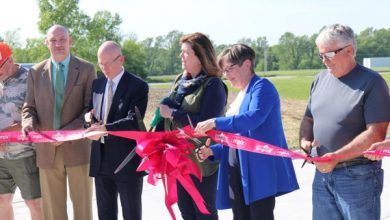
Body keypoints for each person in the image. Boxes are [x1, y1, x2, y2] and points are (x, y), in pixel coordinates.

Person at [195, 44, 299, 220]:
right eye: (224, 71)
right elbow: (235, 138)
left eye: (230, 69)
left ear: (247, 64)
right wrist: (213, 150)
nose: (227, 75)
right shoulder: (243, 93)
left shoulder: (262, 87)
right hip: (238, 169)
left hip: (259, 170)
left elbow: (252, 119)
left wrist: (214, 122)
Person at [299, 24, 390, 220]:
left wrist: (336, 157)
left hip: (357, 176)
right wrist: (304, 140)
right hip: (321, 174)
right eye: (321, 56)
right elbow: (308, 118)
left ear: (348, 50)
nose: (324, 61)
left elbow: (376, 134)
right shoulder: (319, 80)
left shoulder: (372, 82)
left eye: (328, 55)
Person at [22, 25, 96, 220]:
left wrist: (64, 134)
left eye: (62, 39)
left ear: (70, 41)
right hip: (47, 152)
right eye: (53, 40)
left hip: (78, 149)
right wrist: (27, 124)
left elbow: (90, 109)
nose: (58, 44)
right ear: (46, 43)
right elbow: (29, 107)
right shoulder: (35, 72)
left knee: (83, 209)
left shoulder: (87, 69)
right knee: (53, 212)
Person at [157, 32, 227, 220]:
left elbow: (207, 122)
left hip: (201, 160)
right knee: (186, 211)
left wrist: (172, 113)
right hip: (178, 159)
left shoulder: (214, 85)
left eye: (186, 52)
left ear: (200, 55)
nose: (181, 56)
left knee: (203, 212)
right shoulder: (181, 81)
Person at [85, 41, 148, 220]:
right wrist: (88, 120)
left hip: (126, 161)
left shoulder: (137, 86)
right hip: (101, 159)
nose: (103, 68)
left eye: (107, 63)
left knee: (131, 213)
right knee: (105, 214)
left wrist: (105, 129)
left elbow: (133, 121)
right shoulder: (97, 84)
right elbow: (90, 113)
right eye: (100, 63)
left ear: (121, 59)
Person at [0, 42, 43, 220]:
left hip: (24, 153)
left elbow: (37, 115)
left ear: (10, 59)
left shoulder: (29, 79)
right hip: (1, 156)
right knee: (2, 200)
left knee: (34, 203)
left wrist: (10, 132)